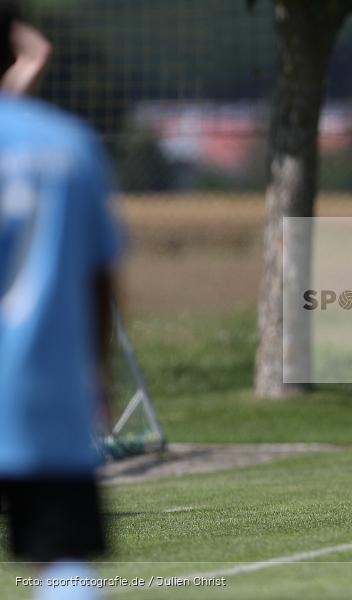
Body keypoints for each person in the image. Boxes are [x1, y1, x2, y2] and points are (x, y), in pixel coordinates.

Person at [0, 1, 122, 598]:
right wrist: (98, 375)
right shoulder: (70, 145)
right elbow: (102, 277)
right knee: (62, 561)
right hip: (42, 396)